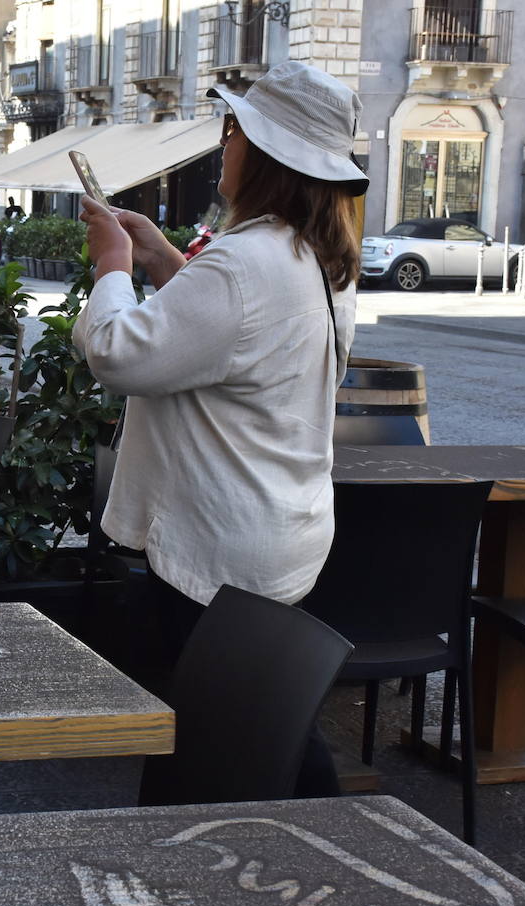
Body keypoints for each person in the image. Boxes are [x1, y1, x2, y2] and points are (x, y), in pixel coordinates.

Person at [73, 61, 367, 797]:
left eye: (233, 130)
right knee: (260, 720)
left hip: (219, 542)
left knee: (239, 735)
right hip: (277, 526)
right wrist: (167, 261)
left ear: (264, 153)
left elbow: (118, 351)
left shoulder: (244, 263)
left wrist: (112, 265)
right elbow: (233, 342)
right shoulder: (315, 256)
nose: (224, 144)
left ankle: (298, 848)